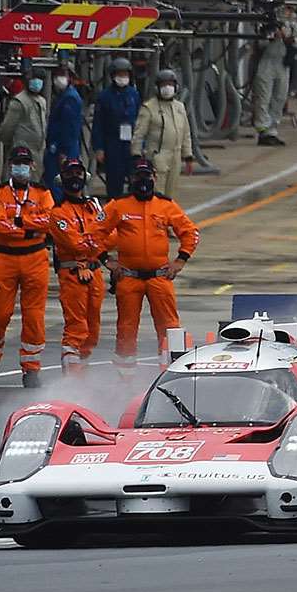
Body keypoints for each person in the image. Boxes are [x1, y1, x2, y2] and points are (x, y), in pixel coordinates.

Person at [100, 156, 197, 370]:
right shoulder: (118, 205)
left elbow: (190, 233)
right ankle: (124, 379)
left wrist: (181, 260)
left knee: (169, 328)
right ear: (130, 178)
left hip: (160, 277)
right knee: (126, 329)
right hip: (129, 278)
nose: (143, 180)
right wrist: (106, 260)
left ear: (154, 177)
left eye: (147, 175)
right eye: (138, 176)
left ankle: (171, 373)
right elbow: (94, 233)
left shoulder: (166, 205)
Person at [0, 146, 55, 389]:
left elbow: (50, 221)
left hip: (35, 258)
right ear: (10, 165)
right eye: (17, 163)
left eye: (25, 163)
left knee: (34, 316)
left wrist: (20, 223)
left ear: (32, 166)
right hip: (5, 258)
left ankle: (31, 368)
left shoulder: (43, 193)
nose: (20, 167)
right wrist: (31, 228)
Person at [46, 157, 106, 375]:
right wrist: (94, 240)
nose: (75, 178)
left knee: (93, 329)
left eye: (78, 173)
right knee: (76, 326)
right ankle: (71, 379)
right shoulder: (58, 213)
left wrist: (93, 242)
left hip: (95, 272)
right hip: (71, 274)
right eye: (70, 174)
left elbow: (110, 235)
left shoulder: (94, 206)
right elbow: (73, 241)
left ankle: (83, 371)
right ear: (62, 179)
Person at [140, 66, 195, 201]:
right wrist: (137, 155)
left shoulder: (179, 107)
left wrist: (188, 156)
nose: (167, 88)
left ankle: (168, 219)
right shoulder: (149, 107)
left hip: (175, 155)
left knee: (172, 193)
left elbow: (186, 133)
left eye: (170, 84)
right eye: (164, 85)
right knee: (157, 192)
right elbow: (139, 134)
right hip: (157, 155)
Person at [249, 2, 297, 145]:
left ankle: (272, 129)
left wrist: (286, 37)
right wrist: (271, 35)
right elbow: (258, 41)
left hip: (283, 62)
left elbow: (296, 41)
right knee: (263, 96)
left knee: (280, 97)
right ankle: (263, 130)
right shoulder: (263, 18)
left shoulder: (292, 20)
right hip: (266, 61)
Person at [91, 59, 141, 199]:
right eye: (119, 74)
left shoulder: (134, 95)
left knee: (135, 179)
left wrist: (140, 145)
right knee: (114, 181)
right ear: (113, 76)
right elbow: (98, 124)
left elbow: (140, 121)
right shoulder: (105, 97)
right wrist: (99, 148)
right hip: (112, 144)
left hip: (131, 144)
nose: (122, 77)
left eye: (125, 74)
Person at [0, 70, 50, 167]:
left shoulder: (42, 101)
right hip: (20, 152)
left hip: (37, 153)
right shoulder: (19, 101)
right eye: (34, 79)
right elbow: (7, 129)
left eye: (40, 79)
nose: (37, 82)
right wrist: (12, 144)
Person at [44, 65, 86, 177]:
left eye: (62, 74)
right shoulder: (61, 96)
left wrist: (64, 151)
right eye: (57, 75)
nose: (59, 78)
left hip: (64, 148)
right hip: (58, 147)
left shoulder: (70, 98)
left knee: (60, 181)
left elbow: (70, 128)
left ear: (70, 78)